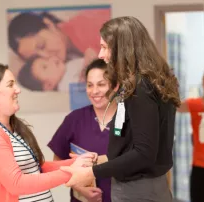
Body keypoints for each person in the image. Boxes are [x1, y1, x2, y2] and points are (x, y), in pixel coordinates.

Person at [59, 16, 181, 202]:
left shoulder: (141, 87)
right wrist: (98, 160)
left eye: (105, 47)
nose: (101, 54)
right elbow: (134, 143)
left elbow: (143, 153)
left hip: (139, 192)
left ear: (123, 49)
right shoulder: (143, 84)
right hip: (146, 188)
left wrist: (92, 172)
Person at [0, 64, 97, 202]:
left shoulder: (12, 127)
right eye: (11, 85)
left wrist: (77, 162)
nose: (18, 90)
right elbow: (16, 184)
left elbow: (36, 168)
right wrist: (71, 173)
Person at [47, 59, 118, 202]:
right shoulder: (74, 119)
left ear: (115, 86)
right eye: (90, 85)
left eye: (101, 84)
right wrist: (78, 186)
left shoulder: (128, 120)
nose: (94, 91)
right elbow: (57, 163)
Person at [177, 70, 204, 202]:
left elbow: (176, 106)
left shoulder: (197, 104)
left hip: (202, 167)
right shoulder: (197, 104)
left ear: (203, 82)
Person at [17, 56, 85, 91]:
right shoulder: (65, 86)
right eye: (45, 67)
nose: (51, 61)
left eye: (46, 59)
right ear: (49, 85)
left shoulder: (66, 66)